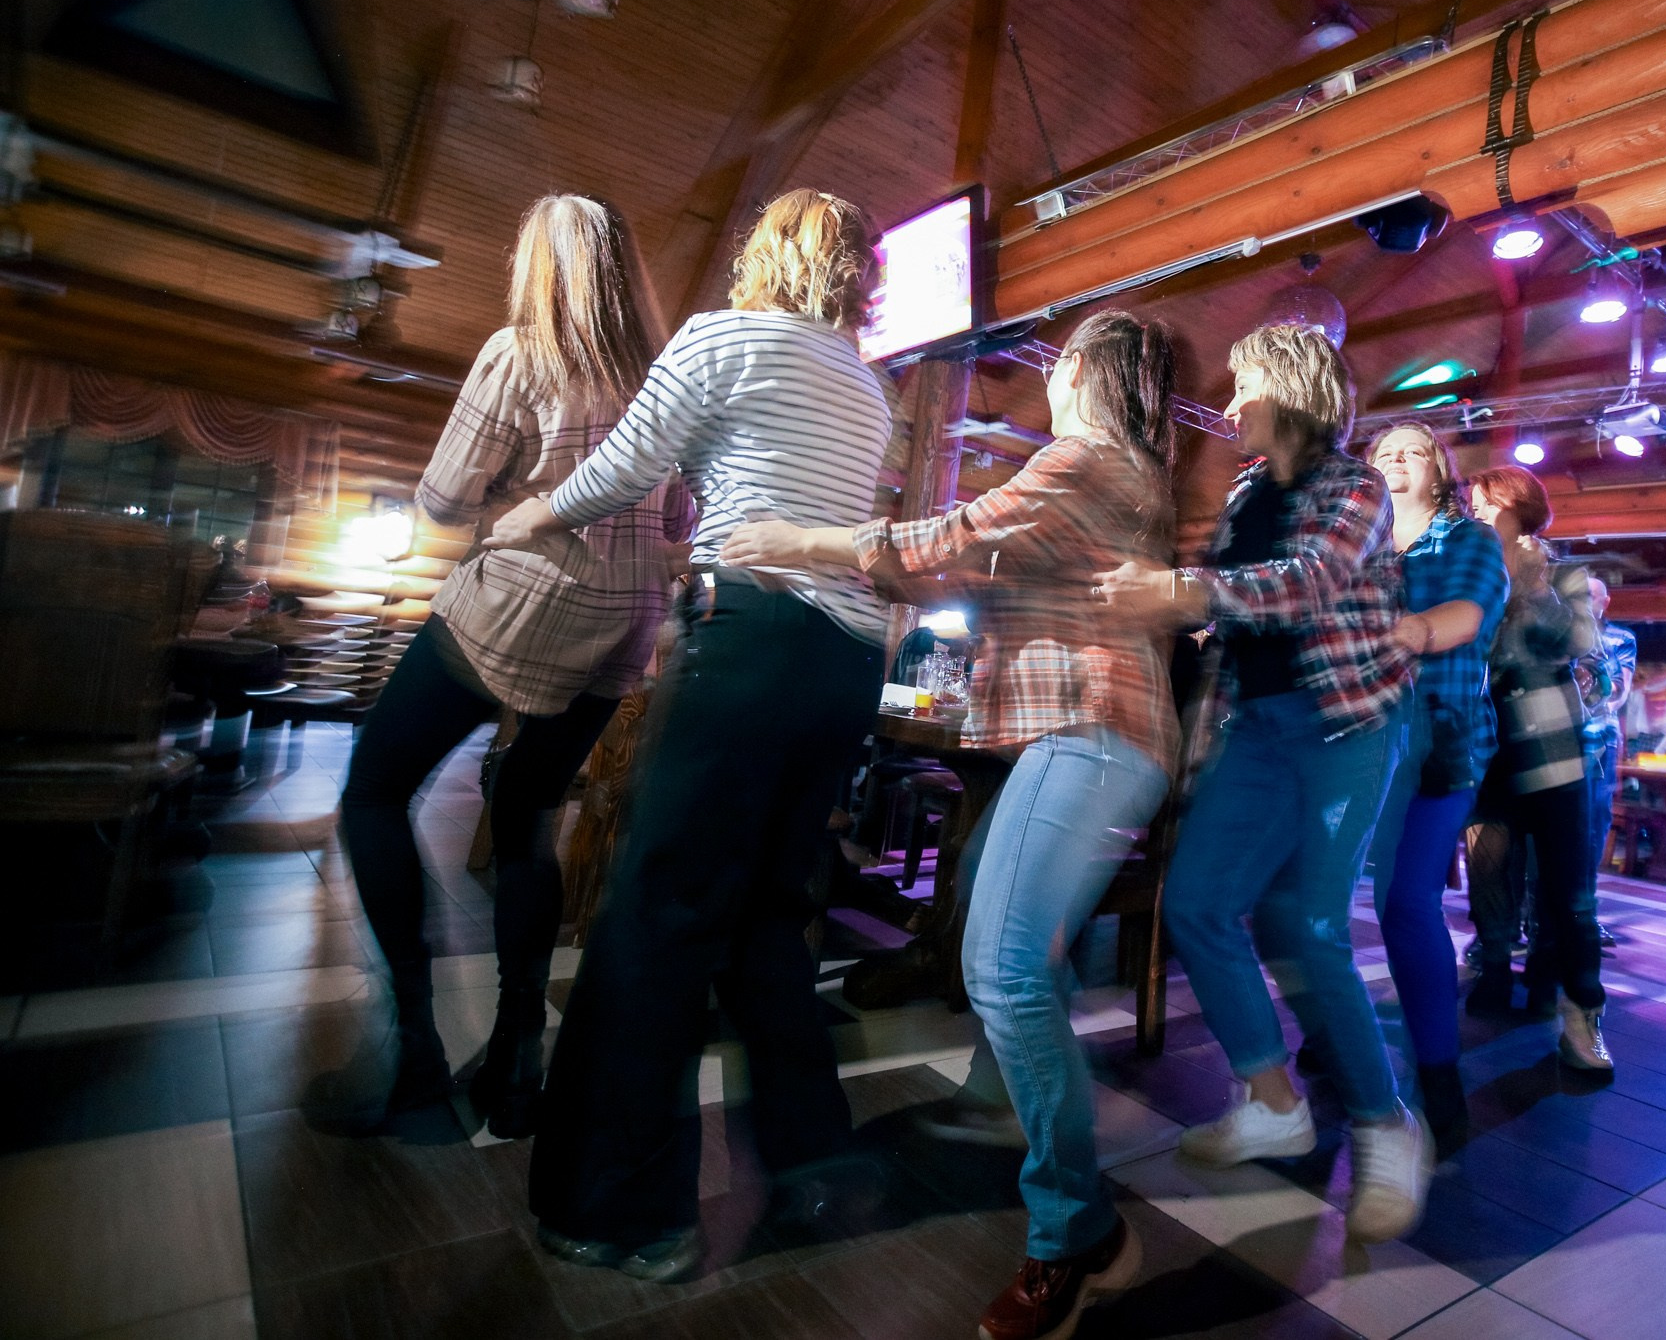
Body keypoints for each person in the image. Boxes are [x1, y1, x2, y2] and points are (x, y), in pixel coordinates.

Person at [724, 308, 1179, 1340]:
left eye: (1061, 363)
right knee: (996, 922)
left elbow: (954, 539)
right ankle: (1006, 1094)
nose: (1051, 379)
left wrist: (803, 540)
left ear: (1086, 372)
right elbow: (984, 565)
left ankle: (1077, 1232)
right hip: (1098, 734)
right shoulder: (1128, 477)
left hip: (1093, 729)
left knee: (1004, 966)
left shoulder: (1084, 458)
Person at [484, 188, 893, 1283]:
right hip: (845, 660)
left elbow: (627, 465)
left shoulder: (724, 336)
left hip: (750, 641)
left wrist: (532, 513)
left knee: (659, 914)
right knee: (767, 913)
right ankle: (814, 1163)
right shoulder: (867, 384)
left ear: (768, 253)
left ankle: (620, 1211)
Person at [332, 195, 689, 1137]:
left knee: (374, 791)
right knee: (528, 816)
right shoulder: (664, 379)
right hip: (626, 624)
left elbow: (444, 499)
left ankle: (411, 1042)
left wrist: (508, 501)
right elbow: (679, 521)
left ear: (541, 266)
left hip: (526, 602)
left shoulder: (522, 352)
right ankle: (519, 1055)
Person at [1096, 323, 1428, 1243]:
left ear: (1289, 388)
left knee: (1312, 927)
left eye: (1244, 383)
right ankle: (1275, 1102)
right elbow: (1230, 607)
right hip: (1258, 728)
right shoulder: (1246, 490)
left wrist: (1188, 591)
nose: (1231, 401)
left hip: (1345, 725)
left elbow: (1310, 581)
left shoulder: (1354, 485)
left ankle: (1386, 1121)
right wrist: (1161, 604)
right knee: (1196, 902)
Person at [1360, 422, 1508, 1147]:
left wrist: (1395, 634)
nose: (1395, 456)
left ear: (1441, 472)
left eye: (1413, 449)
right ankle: (1333, 1033)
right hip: (1359, 743)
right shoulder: (1354, 546)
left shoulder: (1468, 540)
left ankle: (1440, 1076)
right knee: (1307, 902)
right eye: (1383, 450)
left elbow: (1464, 618)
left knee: (1405, 902)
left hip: (1439, 743)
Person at [1466, 464, 1614, 1073]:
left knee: (1565, 890)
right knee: (1487, 872)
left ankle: (1577, 1009)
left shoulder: (1565, 575)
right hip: (1486, 749)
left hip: (1552, 750)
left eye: (1487, 500)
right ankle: (1495, 970)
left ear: (1520, 505)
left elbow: (1578, 648)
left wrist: (1533, 587)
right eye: (1472, 501)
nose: (1475, 509)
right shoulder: (1472, 572)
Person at [1579, 575, 1637, 947]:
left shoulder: (1619, 638)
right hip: (1561, 737)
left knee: (1595, 820)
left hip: (1599, 737)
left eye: (1591, 595)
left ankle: (1585, 912)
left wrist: (1596, 700)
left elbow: (1620, 690)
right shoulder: (1561, 631)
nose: (1585, 600)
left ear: (1605, 602)